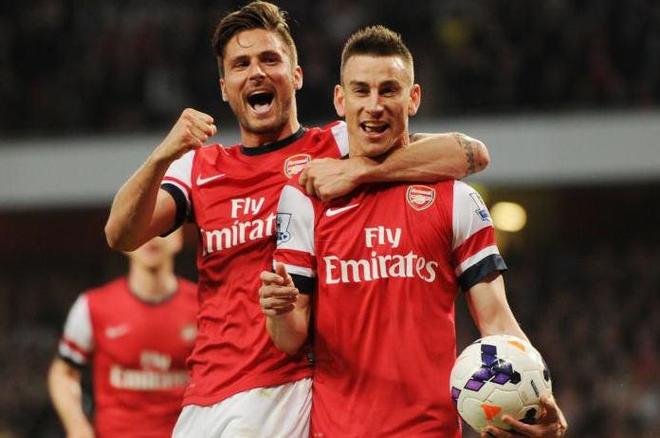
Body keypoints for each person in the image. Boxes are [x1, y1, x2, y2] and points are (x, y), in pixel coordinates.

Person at [104, 2, 491, 436]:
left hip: (283, 386)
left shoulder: (338, 143)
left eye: (270, 59)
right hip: (204, 393)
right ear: (225, 88)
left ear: (297, 76)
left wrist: (358, 170)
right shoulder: (198, 167)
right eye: (241, 64)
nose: (256, 72)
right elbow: (121, 234)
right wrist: (161, 155)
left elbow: (469, 153)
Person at [259, 25, 568, 437]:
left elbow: (496, 318)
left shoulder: (457, 199)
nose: (374, 105)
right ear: (340, 99)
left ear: (413, 98)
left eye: (388, 90)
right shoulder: (305, 199)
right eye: (361, 90)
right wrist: (278, 311)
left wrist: (542, 399)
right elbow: (290, 338)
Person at [48, 230, 197, 438]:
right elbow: (63, 373)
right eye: (142, 227)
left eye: (162, 228)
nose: (151, 237)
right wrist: (77, 427)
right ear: (124, 237)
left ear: (179, 237)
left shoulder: (204, 307)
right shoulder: (93, 307)